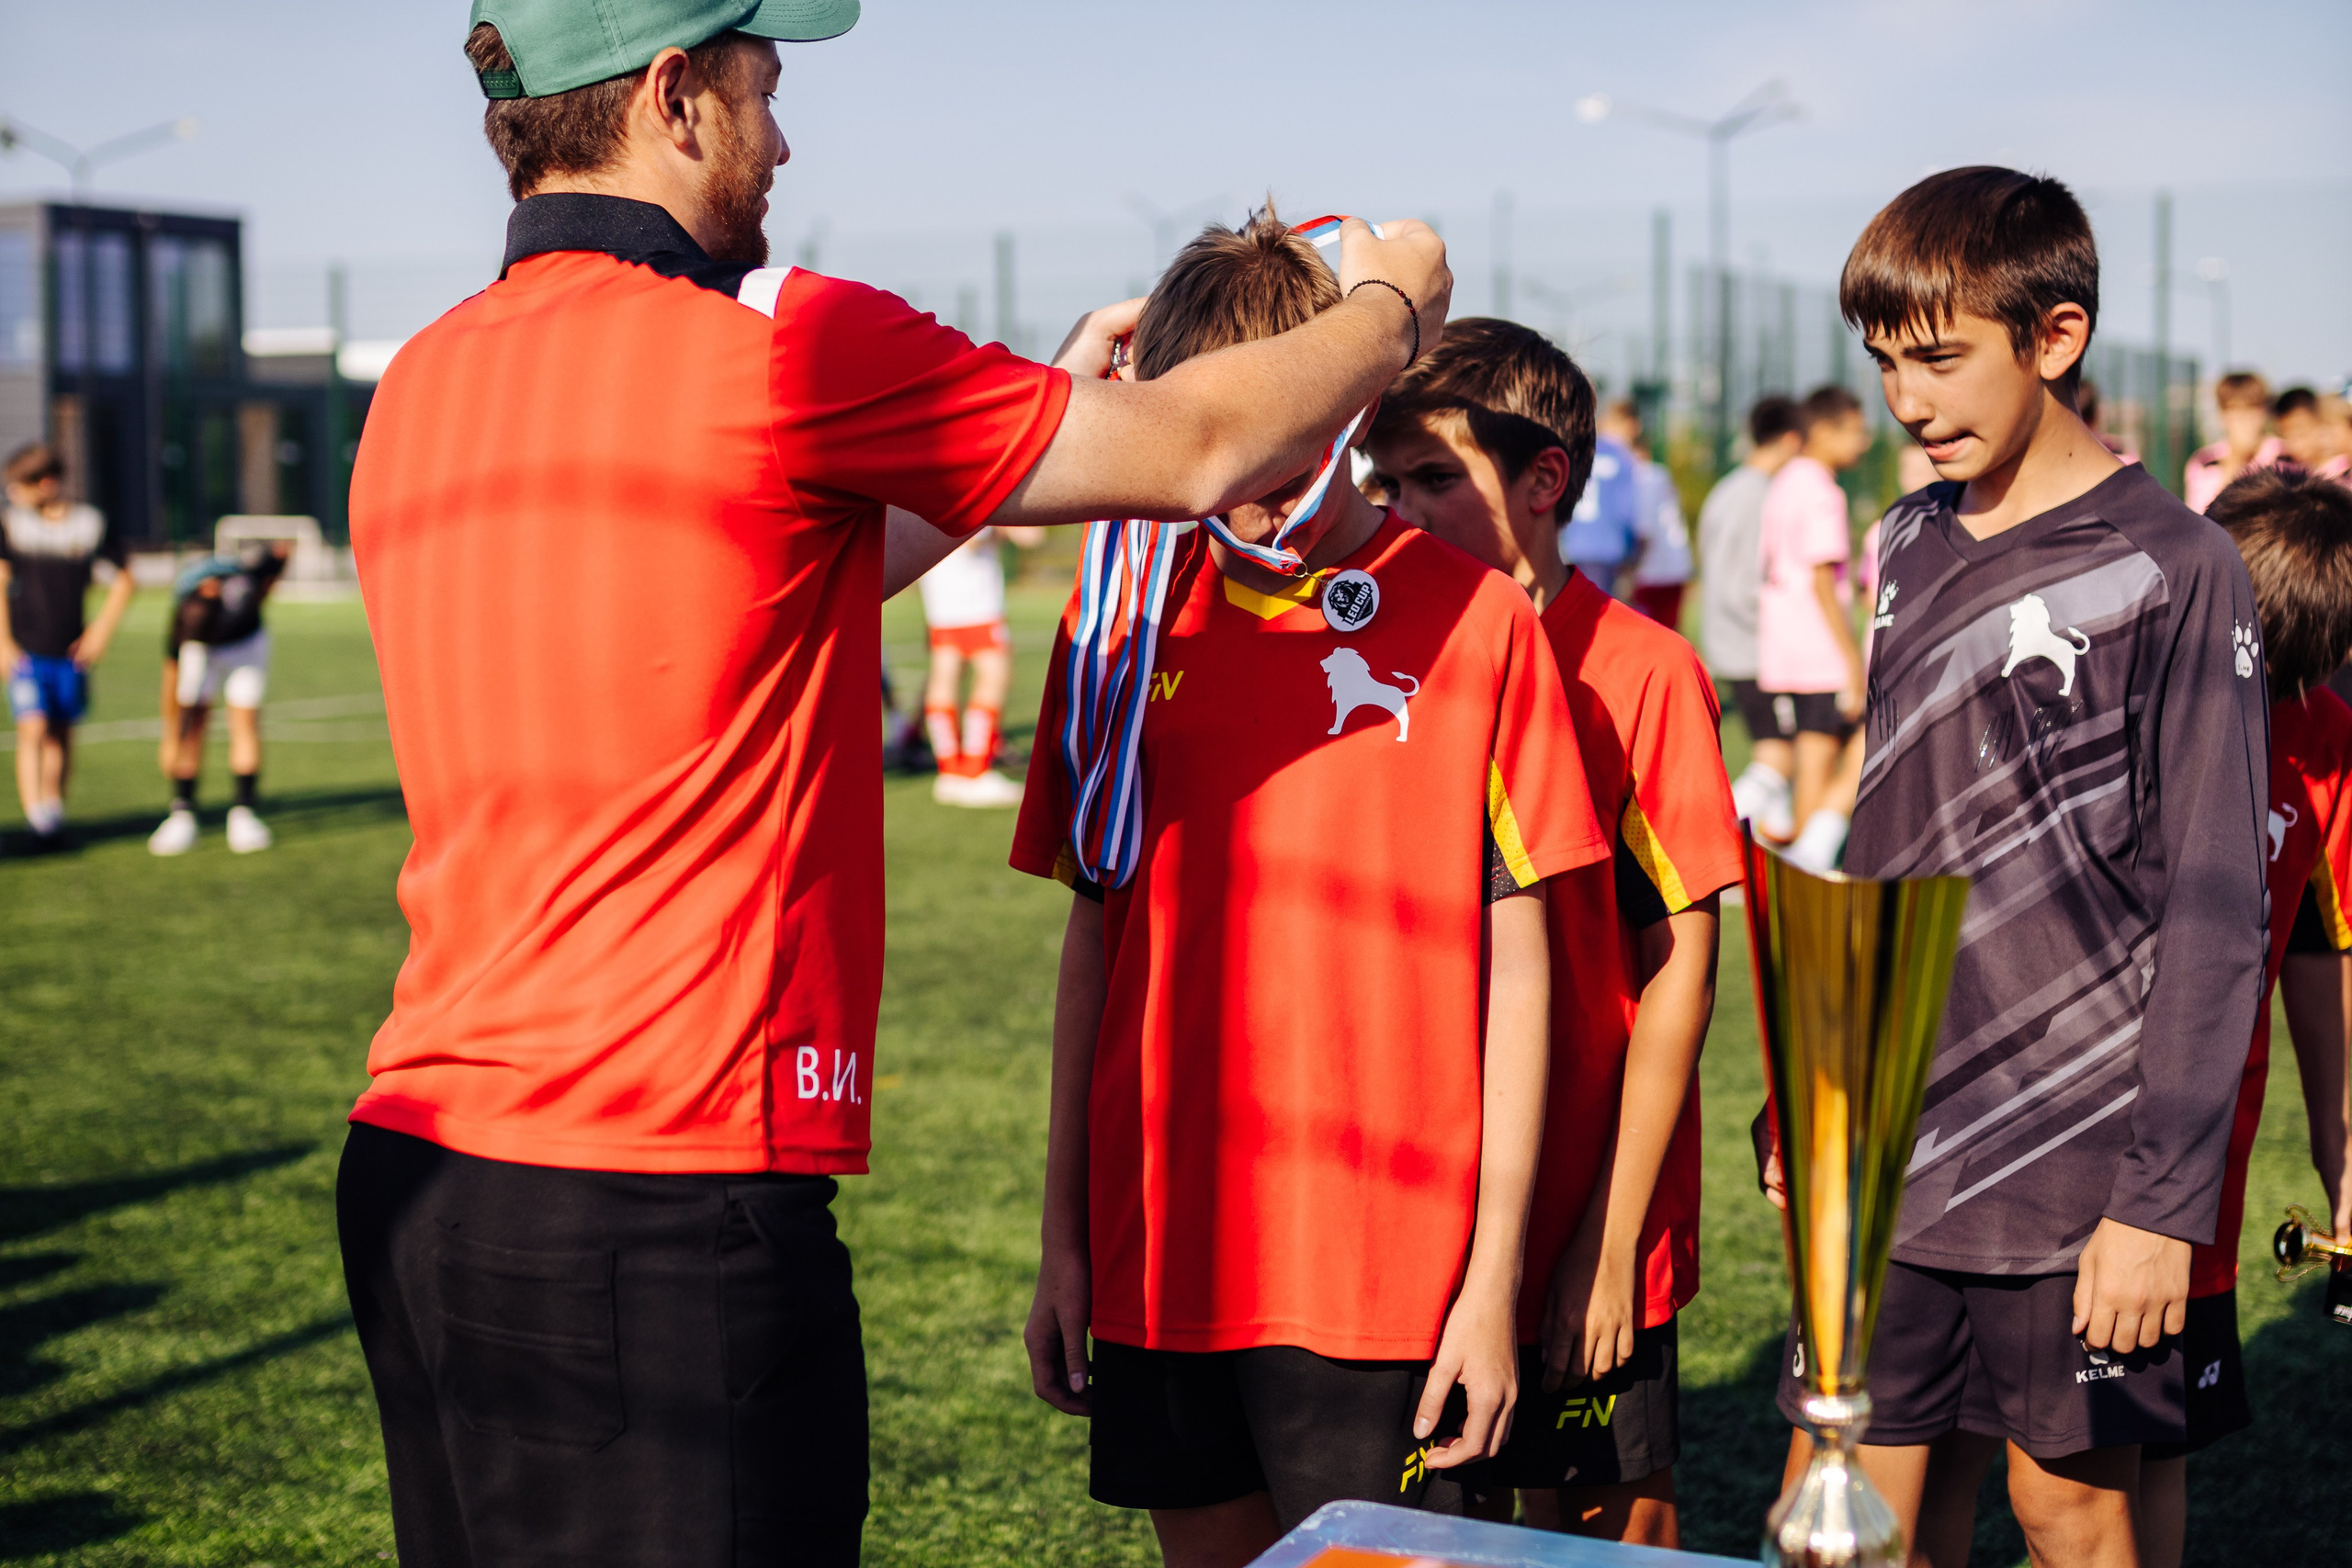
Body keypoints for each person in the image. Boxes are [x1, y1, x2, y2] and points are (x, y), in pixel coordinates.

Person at [334, 7, 1453, 1566]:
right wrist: (1394, 301)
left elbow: (760, 590)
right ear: (675, 95)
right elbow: (1203, 447)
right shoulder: (782, 345)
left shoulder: (425, 380)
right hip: (655, 1189)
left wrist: (1025, 412)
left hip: (422, 1175)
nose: (782, 144)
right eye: (765, 94)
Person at [1012, 219, 1601, 1568]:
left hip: (1388, 1277)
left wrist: (1491, 1275)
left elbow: (1526, 967)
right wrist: (1067, 1240)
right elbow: (1094, 934)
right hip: (1161, 1257)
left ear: (1347, 403)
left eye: (1281, 431)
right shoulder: (1114, 623)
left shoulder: (1473, 619)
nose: (1244, 471)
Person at [1777, 165, 2267, 1568]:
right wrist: (1830, 1067)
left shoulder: (2177, 562)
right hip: (1888, 1137)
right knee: (1865, 1514)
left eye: (1939, 360)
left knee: (2068, 1508)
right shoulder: (1908, 538)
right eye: (1883, 366)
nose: (1907, 403)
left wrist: (2161, 1200)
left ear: (2055, 339)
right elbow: (1889, 816)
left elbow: (2219, 902)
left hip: (2075, 1152)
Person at [1365, 319, 1743, 1550]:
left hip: (1590, 1202)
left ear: (1545, 480)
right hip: (1418, 1211)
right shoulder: (1386, 659)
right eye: (1389, 482)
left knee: (1606, 1524)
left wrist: (1609, 1234)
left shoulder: (1643, 668)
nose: (1402, 508)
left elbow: (1682, 961)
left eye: (1435, 478)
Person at [2134, 468, 2352, 1568]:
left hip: (2196, 1169)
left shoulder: (2326, 740)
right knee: (1979, 1452)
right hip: (2042, 1147)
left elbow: (2318, 951)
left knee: (2150, 1452)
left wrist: (2338, 1150)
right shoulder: (2117, 689)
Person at [1755, 385, 1870, 873]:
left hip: (1785, 645)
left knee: (1812, 755)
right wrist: (1850, 658)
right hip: (1818, 649)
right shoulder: (1822, 489)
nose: (1864, 443)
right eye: (1857, 431)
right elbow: (1823, 577)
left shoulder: (1785, 480)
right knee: (1830, 756)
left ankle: (1799, 855)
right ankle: (1806, 867)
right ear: (1823, 431)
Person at [0, 442, 131, 846]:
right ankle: (34, 813)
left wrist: (100, 632)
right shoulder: (12, 526)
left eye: (17, 485)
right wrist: (3, 642)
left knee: (60, 732)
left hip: (70, 652)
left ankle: (53, 811)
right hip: (26, 648)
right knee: (33, 727)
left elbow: (125, 578)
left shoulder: (89, 525)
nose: (10, 494)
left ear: (46, 483)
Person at [1695, 395, 1804, 839]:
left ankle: (1773, 839)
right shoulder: (1758, 496)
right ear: (1792, 441)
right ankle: (1713, 832)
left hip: (1731, 641)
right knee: (1782, 755)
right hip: (1752, 647)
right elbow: (1744, 584)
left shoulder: (1729, 488)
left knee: (1773, 748)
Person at [148, 540, 291, 856]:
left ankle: (244, 812)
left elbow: (279, 557)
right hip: (206, 651)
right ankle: (182, 813)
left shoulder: (245, 590)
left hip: (247, 644)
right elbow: (171, 680)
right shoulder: (185, 623)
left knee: (245, 721)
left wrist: (272, 576)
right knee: (192, 723)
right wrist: (170, 735)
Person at [1599, 400, 1691, 629]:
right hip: (1665, 570)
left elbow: (1643, 532)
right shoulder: (1648, 473)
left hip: (1656, 574)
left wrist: (1628, 575)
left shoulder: (1641, 475)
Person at [1558, 415, 1645, 596]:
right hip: (1608, 547)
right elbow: (1626, 510)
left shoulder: (1574, 451)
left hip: (1574, 545)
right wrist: (1632, 550)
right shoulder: (1622, 456)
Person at [2183, 371, 2281, 514]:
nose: (2243, 420)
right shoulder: (2204, 461)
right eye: (2235, 410)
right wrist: (2235, 460)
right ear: (2222, 415)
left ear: (2264, 412)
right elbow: (2201, 518)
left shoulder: (2287, 455)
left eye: (2251, 409)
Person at [2273, 386, 2351, 485]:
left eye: (2301, 435)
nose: (2294, 445)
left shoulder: (2344, 473)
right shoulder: (2283, 471)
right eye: (2286, 437)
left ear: (2322, 426)